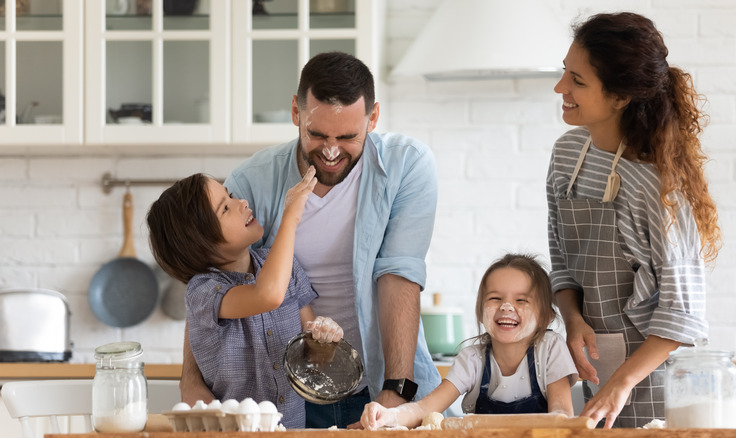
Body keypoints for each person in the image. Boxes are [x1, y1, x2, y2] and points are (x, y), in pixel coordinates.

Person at [179, 51, 441, 429]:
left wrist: (395, 392)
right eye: (317, 134)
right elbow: (209, 279)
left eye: (348, 136)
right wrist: (191, 380)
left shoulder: (407, 166)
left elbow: (398, 275)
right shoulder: (251, 181)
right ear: (295, 112)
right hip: (285, 399)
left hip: (382, 388)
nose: (331, 151)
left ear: (373, 118)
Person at [546, 12, 722, 428]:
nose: (561, 88)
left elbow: (682, 312)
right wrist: (572, 320)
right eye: (564, 73)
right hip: (595, 369)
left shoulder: (655, 185)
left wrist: (621, 383)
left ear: (620, 97)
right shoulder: (567, 153)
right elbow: (562, 261)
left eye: (578, 80)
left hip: (658, 384)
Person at [147, 168, 345, 429]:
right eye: (225, 209)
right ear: (200, 242)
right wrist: (291, 217)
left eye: (230, 196)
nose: (242, 202)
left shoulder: (287, 268)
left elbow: (311, 359)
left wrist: (324, 340)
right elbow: (267, 295)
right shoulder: (203, 292)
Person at [361, 253, 578, 430]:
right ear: (480, 309)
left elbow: (562, 416)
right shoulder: (473, 359)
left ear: (546, 317)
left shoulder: (550, 348)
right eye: (495, 298)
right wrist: (389, 416)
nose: (506, 307)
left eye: (521, 300)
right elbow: (424, 409)